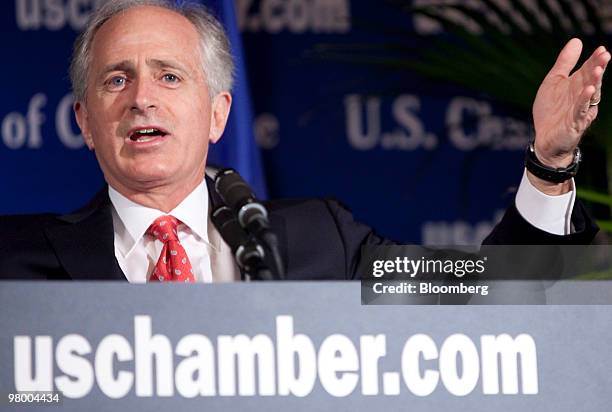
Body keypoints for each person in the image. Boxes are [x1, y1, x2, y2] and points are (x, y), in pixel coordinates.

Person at [0, 0, 607, 282]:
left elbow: (477, 290)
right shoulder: (15, 263)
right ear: (83, 120)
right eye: (116, 79)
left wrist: (550, 164)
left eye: (170, 75)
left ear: (217, 116)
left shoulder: (322, 242)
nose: (141, 98)